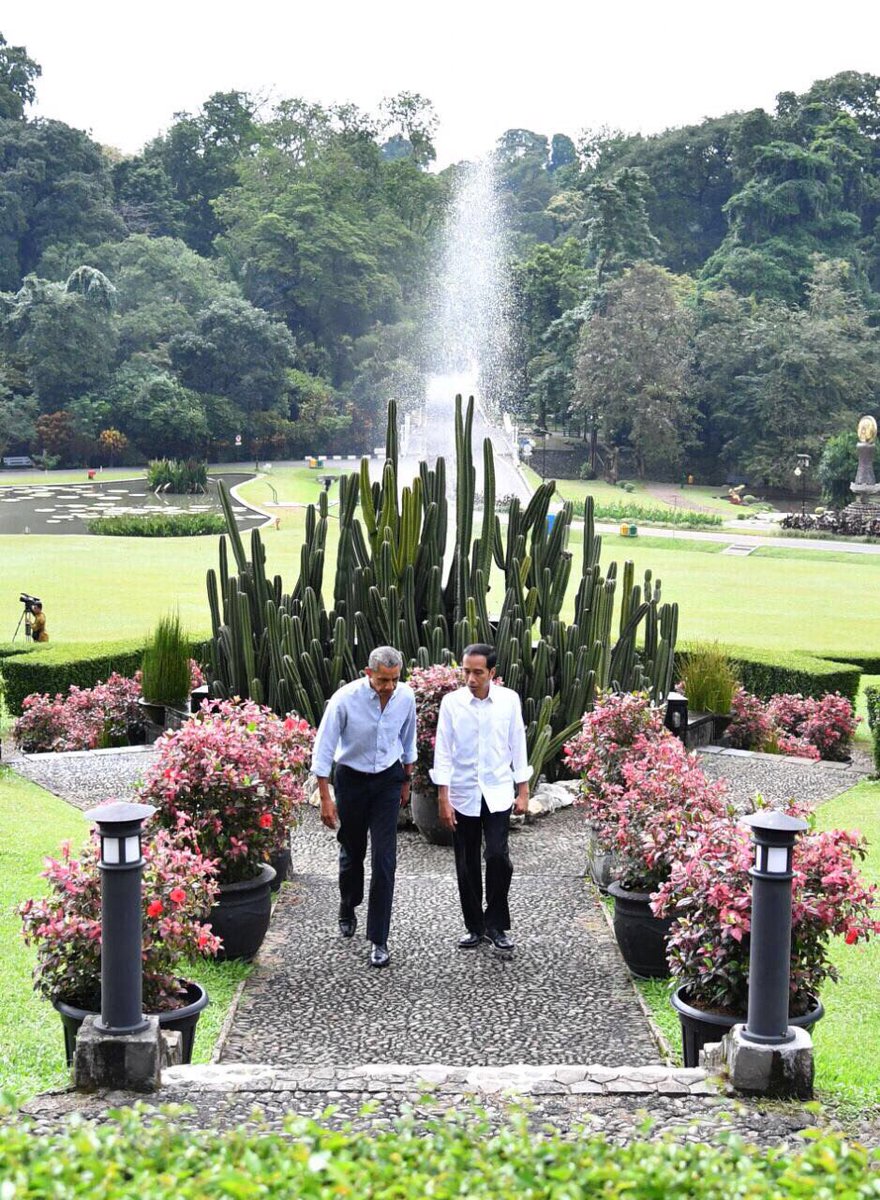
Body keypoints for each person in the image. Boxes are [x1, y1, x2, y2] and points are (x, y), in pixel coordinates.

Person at [311, 645, 417, 969]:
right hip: (352, 780)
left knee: (385, 860)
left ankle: (379, 939)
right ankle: (348, 903)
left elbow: (408, 738)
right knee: (352, 853)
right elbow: (324, 747)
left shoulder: (406, 697)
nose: (389, 687)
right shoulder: (345, 699)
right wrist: (326, 797)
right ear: (368, 673)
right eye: (383, 680)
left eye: (394, 680)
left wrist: (406, 780)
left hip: (387, 779)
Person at [431, 643, 531, 953]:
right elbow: (443, 751)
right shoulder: (452, 703)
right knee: (466, 862)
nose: (471, 678)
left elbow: (518, 743)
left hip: (498, 792)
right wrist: (443, 798)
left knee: (498, 857)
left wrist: (523, 790)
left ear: (492, 673)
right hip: (462, 793)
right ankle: (474, 926)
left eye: (478, 672)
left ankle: (496, 923)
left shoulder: (508, 701)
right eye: (466, 671)